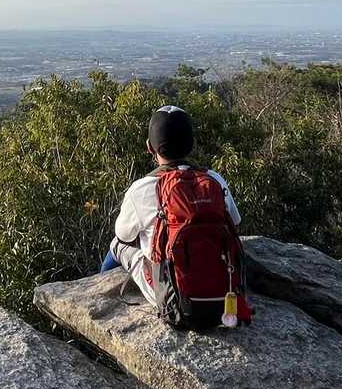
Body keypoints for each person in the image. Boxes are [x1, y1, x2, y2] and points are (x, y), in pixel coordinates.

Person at [102, 105, 244, 314]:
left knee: (117, 245)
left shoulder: (142, 188)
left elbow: (123, 235)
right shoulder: (214, 180)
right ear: (192, 145)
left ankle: (101, 296)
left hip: (171, 297)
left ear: (150, 147)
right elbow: (235, 223)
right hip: (223, 290)